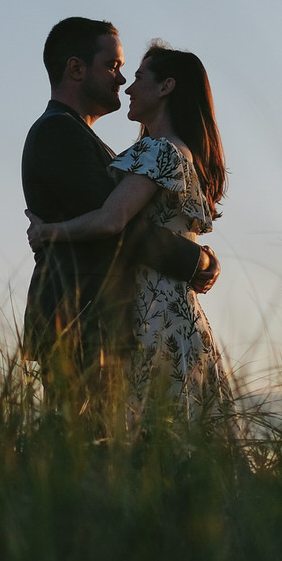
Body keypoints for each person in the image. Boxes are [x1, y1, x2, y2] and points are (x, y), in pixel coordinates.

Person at [27, 41, 233, 424]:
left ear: (166, 87)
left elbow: (111, 221)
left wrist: (48, 231)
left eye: (137, 76)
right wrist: (200, 257)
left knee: (148, 432)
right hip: (172, 305)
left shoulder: (159, 151)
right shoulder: (176, 151)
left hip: (152, 312)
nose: (128, 85)